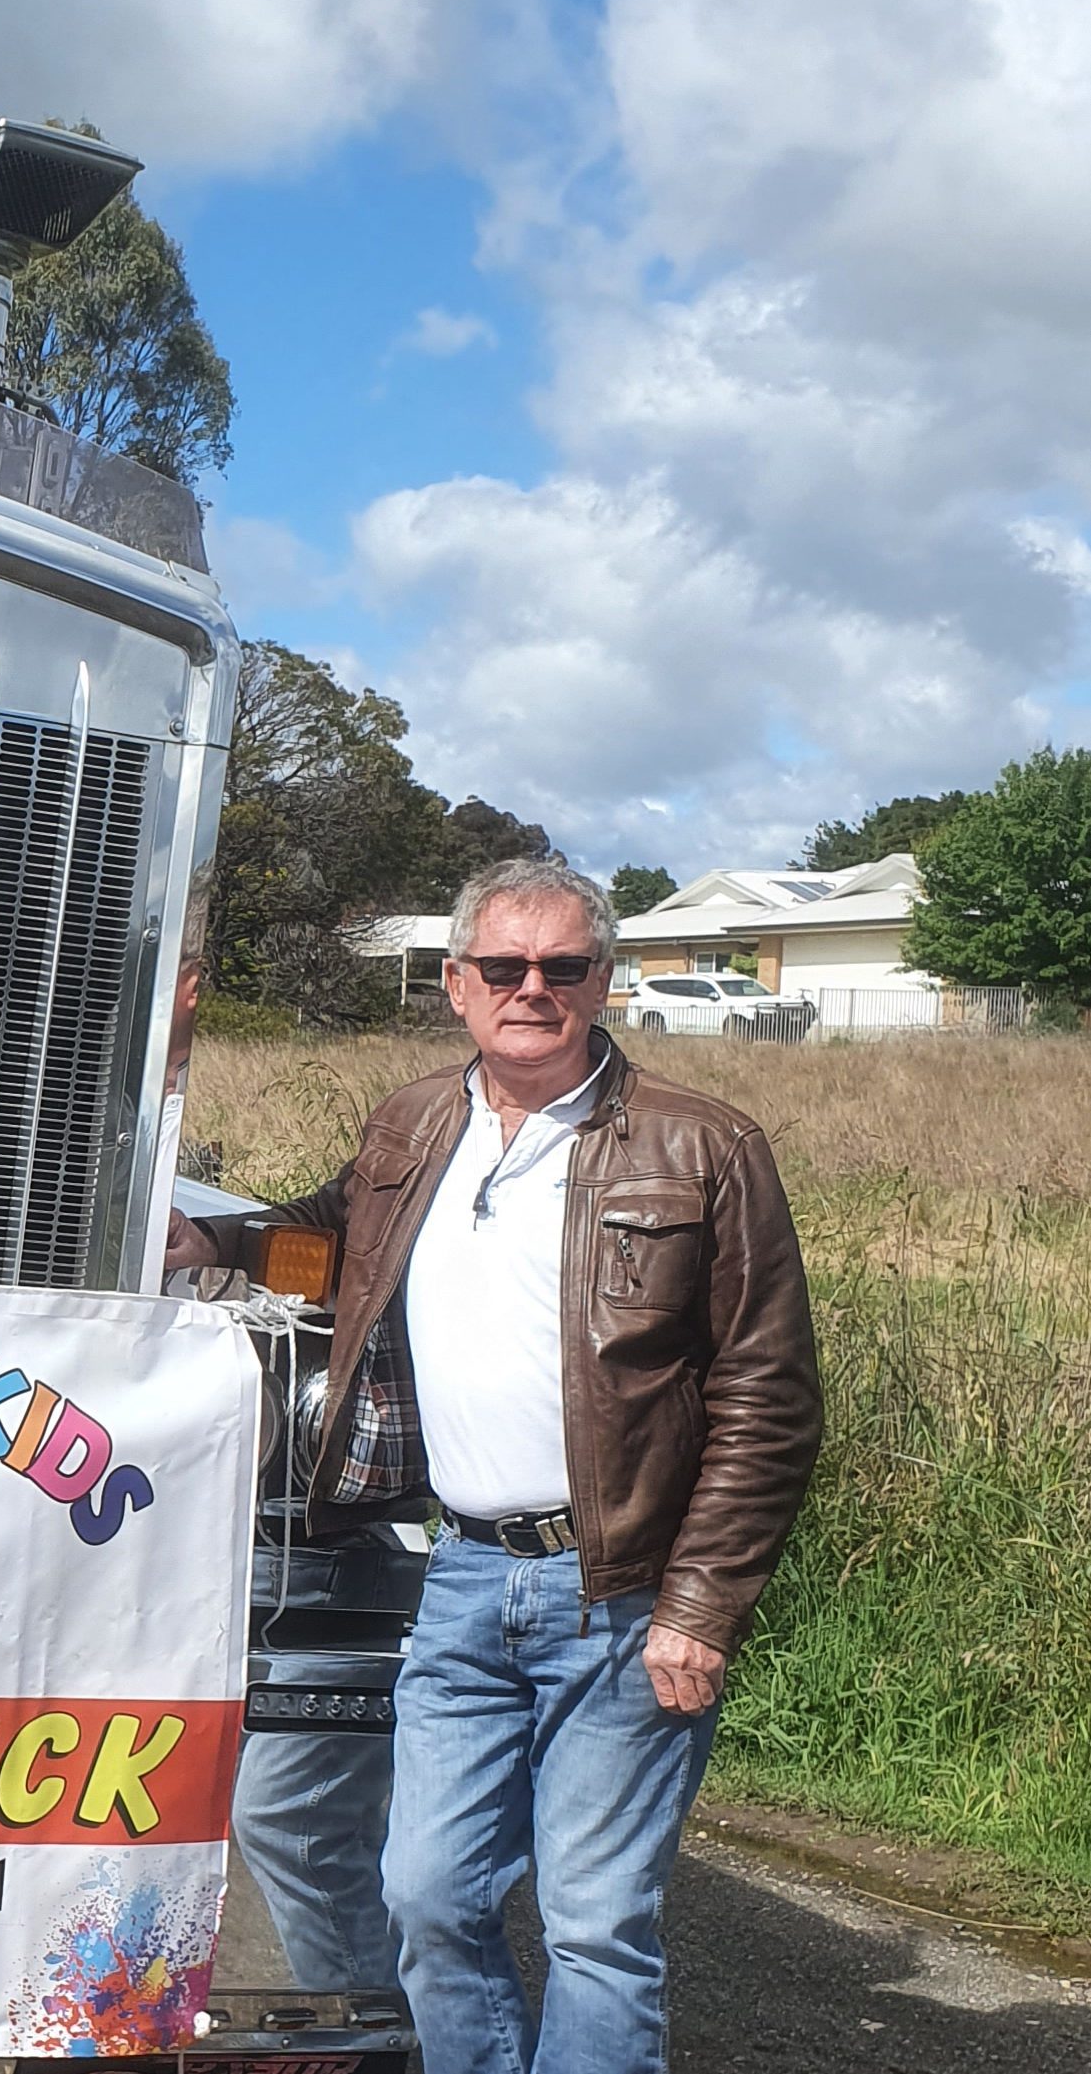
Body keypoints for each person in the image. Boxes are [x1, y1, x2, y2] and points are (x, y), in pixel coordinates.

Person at [171, 857, 820, 2074]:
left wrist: (701, 1604)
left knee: (594, 1924)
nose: (534, 988)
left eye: (562, 966)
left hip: (619, 1591)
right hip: (461, 1579)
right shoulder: (413, 1123)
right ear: (456, 984)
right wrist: (211, 1236)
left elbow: (766, 1396)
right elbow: (333, 1237)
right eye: (505, 967)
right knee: (426, 1896)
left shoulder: (702, 1146)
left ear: (601, 982)